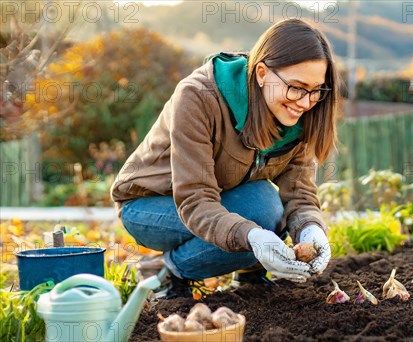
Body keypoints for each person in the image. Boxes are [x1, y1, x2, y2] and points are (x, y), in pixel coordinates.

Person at [110, 18, 339, 298]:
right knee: (263, 216)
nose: (305, 102)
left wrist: (311, 231)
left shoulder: (299, 115)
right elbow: (195, 199)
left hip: (219, 199)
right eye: (296, 87)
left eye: (316, 91)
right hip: (150, 205)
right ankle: (166, 269)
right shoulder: (198, 96)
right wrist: (252, 237)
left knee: (267, 213)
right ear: (263, 73)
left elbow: (300, 196)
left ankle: (248, 272)